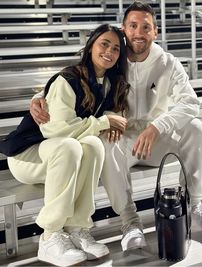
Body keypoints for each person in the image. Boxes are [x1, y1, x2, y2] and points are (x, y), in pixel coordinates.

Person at [30, 1, 202, 252]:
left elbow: (190, 102)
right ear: (124, 29)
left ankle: (195, 207)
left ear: (155, 32)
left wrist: (157, 127)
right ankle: (129, 222)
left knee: (196, 128)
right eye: (133, 26)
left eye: (145, 27)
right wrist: (40, 96)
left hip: (155, 139)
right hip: (122, 140)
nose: (139, 33)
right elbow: (77, 75)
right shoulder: (112, 58)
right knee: (104, 139)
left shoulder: (168, 63)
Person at [0, 24, 130, 266]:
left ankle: (77, 227)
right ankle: (50, 235)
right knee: (70, 146)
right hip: (27, 154)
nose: (109, 52)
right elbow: (55, 130)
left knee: (93, 145)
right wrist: (104, 121)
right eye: (104, 44)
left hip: (58, 157)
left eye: (115, 49)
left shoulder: (110, 83)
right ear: (91, 45)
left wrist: (108, 119)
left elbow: (95, 125)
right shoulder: (68, 78)